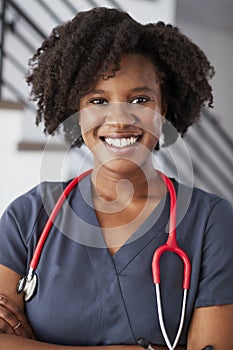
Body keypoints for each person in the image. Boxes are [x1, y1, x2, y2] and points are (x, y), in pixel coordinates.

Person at [0, 6, 232, 350]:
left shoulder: (212, 221)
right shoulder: (28, 217)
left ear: (162, 111)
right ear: (77, 113)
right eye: (98, 100)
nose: (120, 119)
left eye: (140, 99)